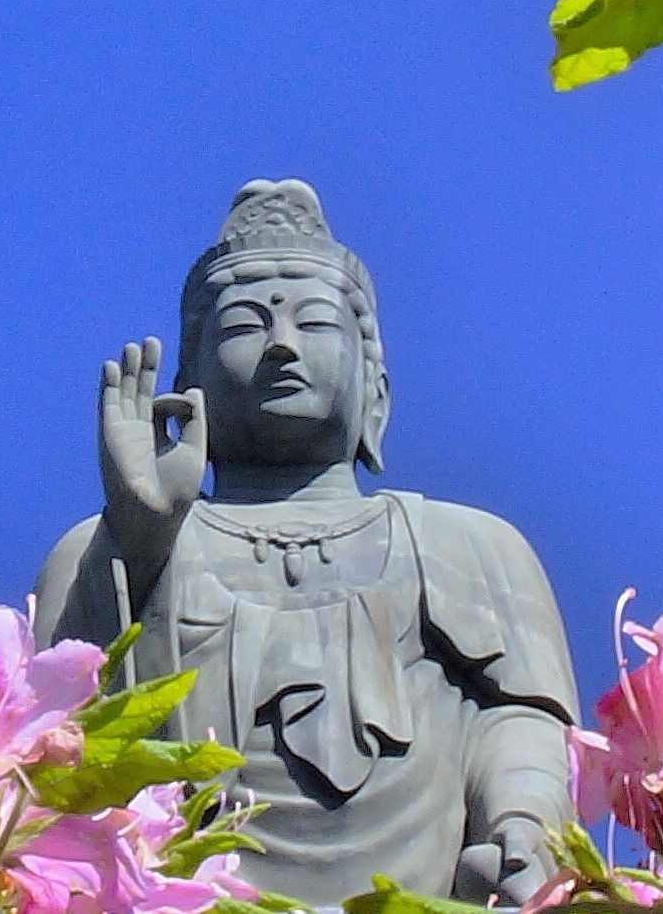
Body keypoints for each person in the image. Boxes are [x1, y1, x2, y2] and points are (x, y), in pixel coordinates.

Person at [33, 179, 576, 907]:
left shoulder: (468, 544)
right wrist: (138, 538)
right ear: (188, 383)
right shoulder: (110, 548)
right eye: (243, 327)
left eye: (315, 322)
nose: (282, 346)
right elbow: (55, 749)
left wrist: (522, 825)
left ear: (374, 381)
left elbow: (520, 719)